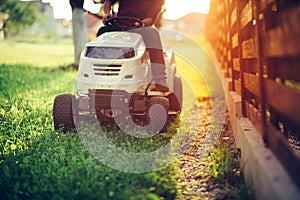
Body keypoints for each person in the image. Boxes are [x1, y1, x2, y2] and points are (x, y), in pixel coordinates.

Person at [97, 0, 168, 92]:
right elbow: (108, 2)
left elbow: (151, 19)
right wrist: (107, 13)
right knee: (102, 32)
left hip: (139, 27)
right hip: (119, 24)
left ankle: (160, 79)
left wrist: (142, 23)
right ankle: (100, 75)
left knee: (153, 33)